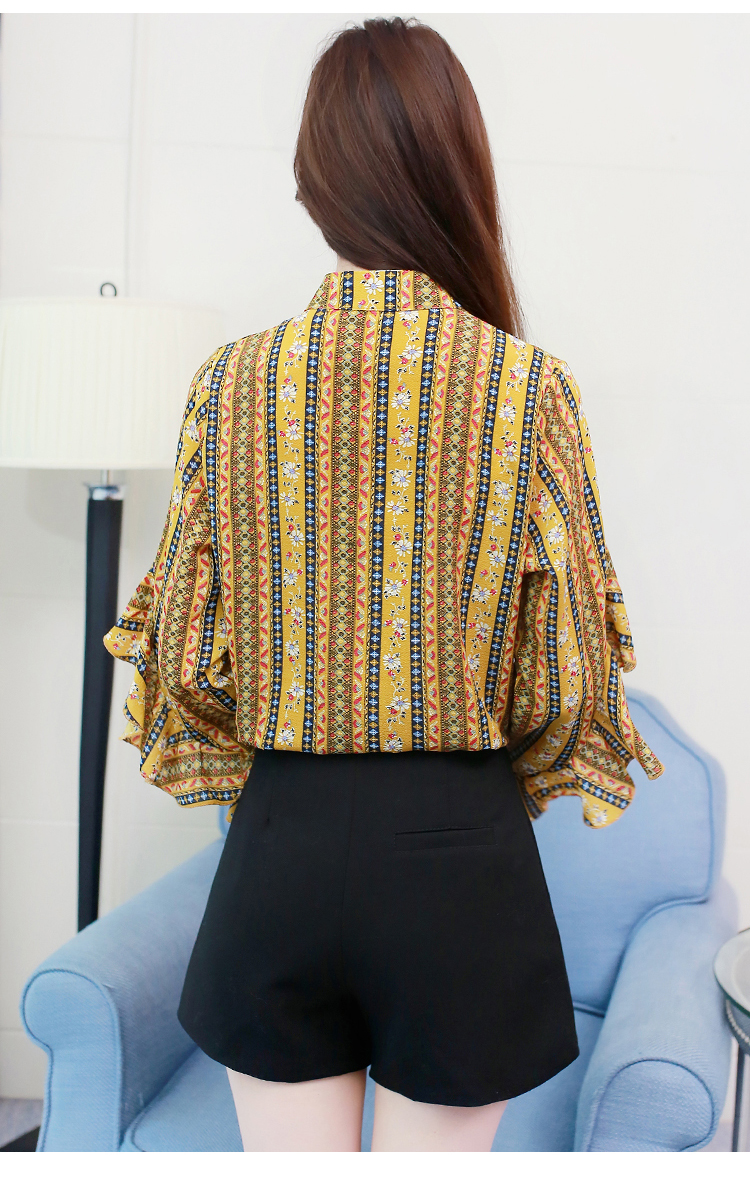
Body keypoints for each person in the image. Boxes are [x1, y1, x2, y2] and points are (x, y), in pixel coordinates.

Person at [104, 16, 663, 1152]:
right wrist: (481, 785)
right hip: (458, 852)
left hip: (281, 843)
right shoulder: (526, 388)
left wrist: (277, 765)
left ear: (314, 184)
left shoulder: (231, 382)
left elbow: (182, 651)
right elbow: (567, 673)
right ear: (458, 167)